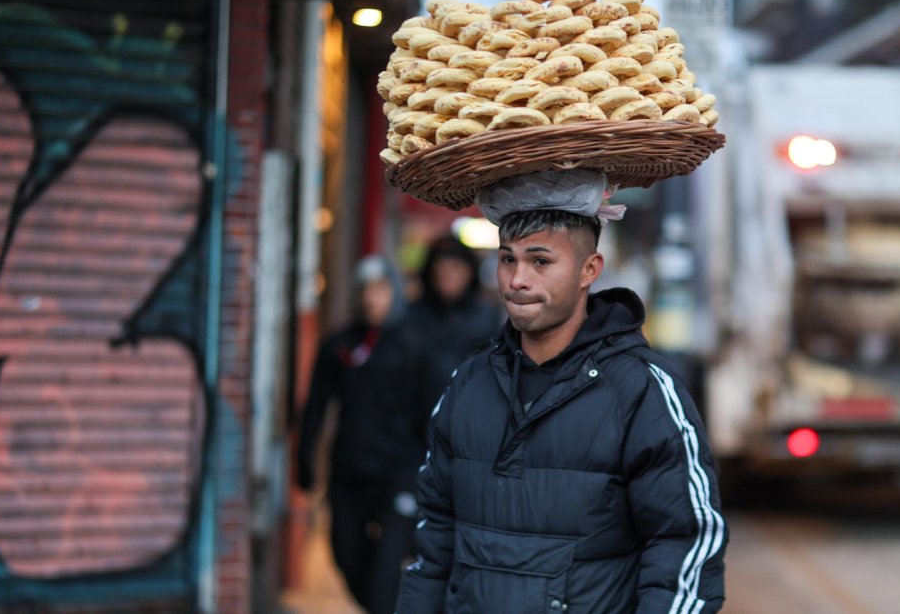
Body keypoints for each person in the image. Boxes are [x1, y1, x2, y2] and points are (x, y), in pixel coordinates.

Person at [396, 198, 728, 613]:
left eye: (540, 261)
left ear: (590, 269)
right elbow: (434, 543)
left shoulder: (641, 390)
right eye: (507, 259)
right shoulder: (468, 384)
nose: (517, 280)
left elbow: (685, 543)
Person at [296, 255, 422, 614]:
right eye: (364, 290)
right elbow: (316, 405)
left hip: (397, 477)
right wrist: (305, 460)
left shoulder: (413, 346)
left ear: (394, 293)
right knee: (347, 559)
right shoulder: (339, 345)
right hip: (348, 473)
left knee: (385, 573)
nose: (371, 298)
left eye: (380, 289)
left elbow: (430, 415)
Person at [402, 234, 499, 418]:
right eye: (442, 267)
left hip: (469, 417)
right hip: (413, 422)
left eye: (455, 267)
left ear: (469, 272)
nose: (448, 275)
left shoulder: (485, 316)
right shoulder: (411, 315)